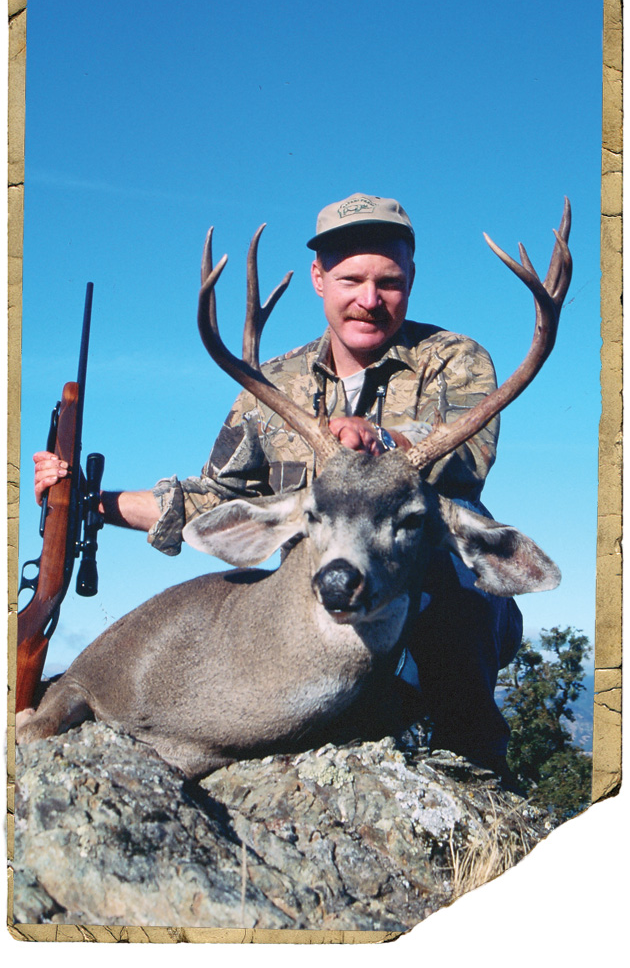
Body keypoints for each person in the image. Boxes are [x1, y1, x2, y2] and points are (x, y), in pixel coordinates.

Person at [33, 193, 522, 777]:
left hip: (419, 586)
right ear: (319, 278)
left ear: (412, 276)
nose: (369, 300)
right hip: (317, 601)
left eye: (388, 281)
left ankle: (478, 784)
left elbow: (467, 460)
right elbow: (219, 497)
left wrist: (381, 442)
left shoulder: (454, 360)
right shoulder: (272, 384)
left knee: (459, 600)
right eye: (351, 279)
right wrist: (91, 503)